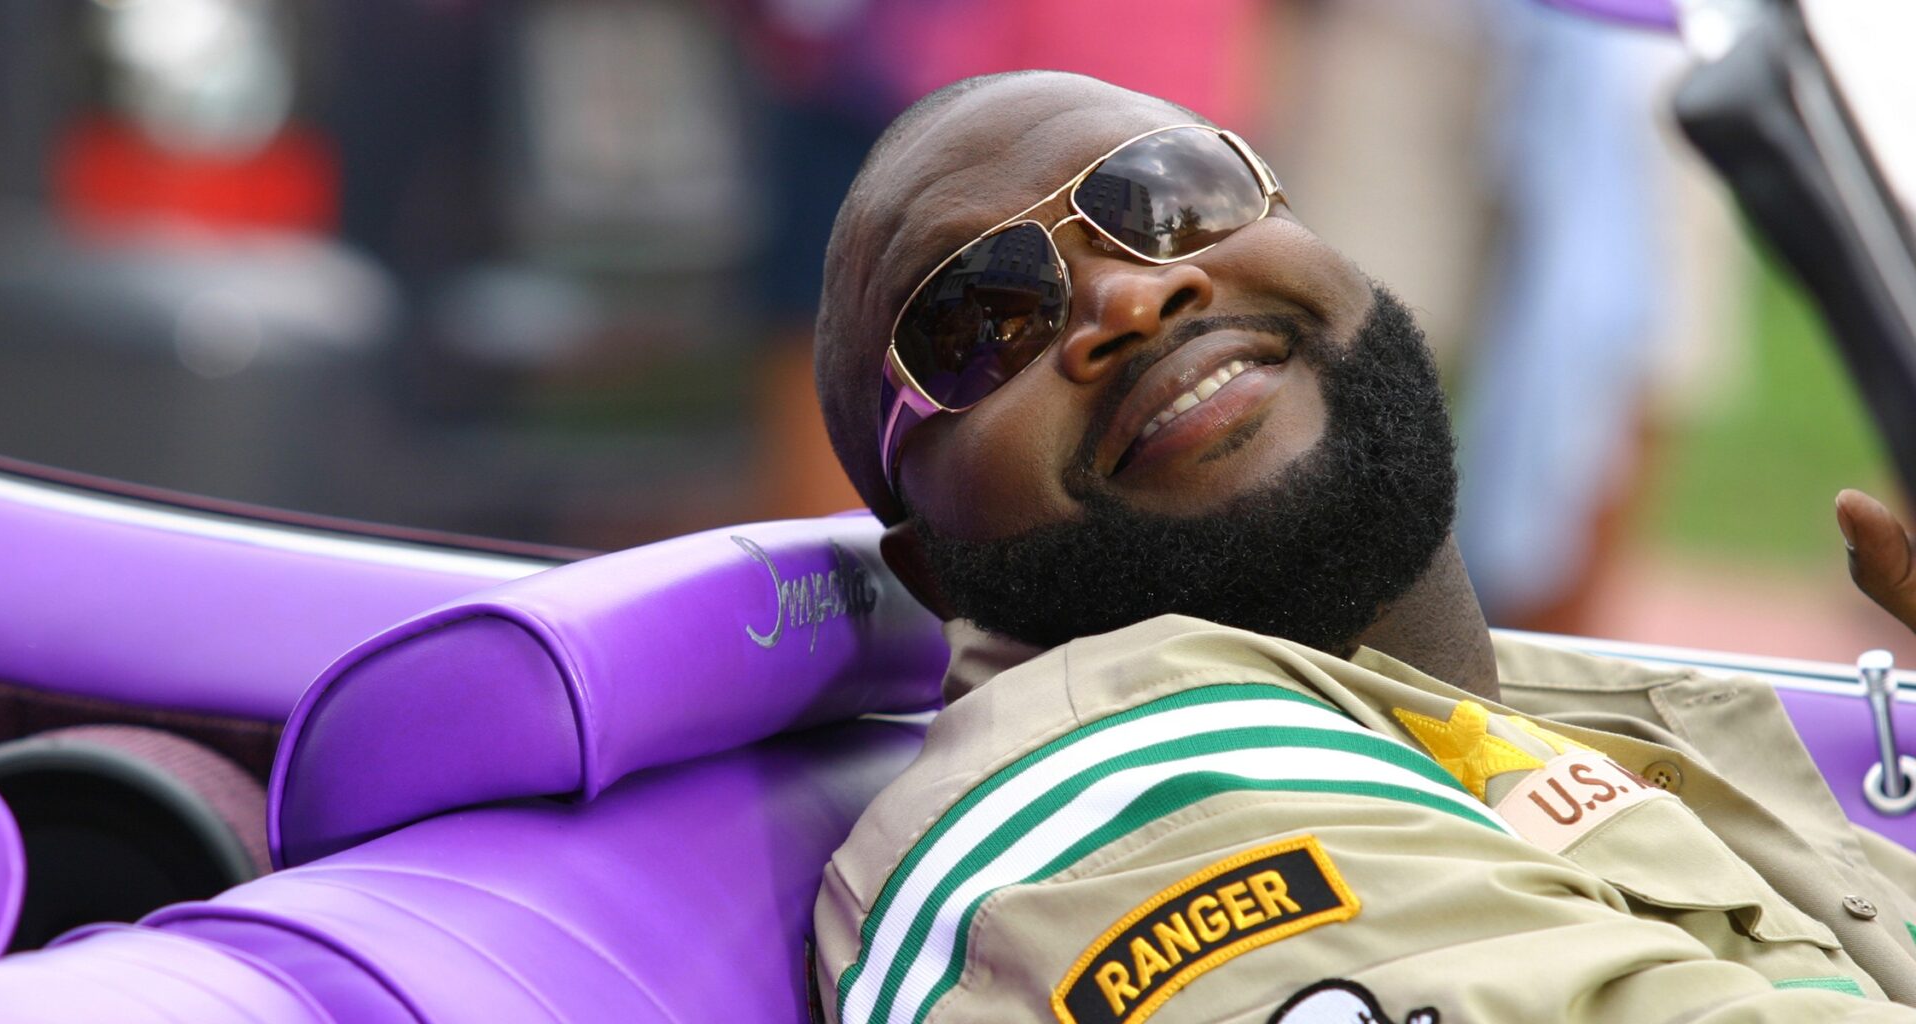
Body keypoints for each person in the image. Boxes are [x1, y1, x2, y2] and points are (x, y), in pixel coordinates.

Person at [808, 70, 1916, 1022]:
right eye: (978, 324)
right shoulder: (1110, 816)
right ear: (932, 568)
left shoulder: (1543, 724)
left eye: (1171, 195)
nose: (1133, 296)